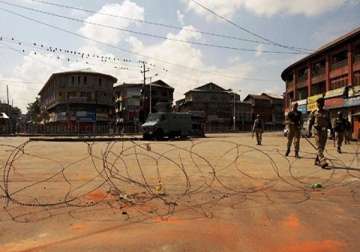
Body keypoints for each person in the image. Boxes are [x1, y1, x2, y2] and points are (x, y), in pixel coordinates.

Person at [308, 97, 334, 168]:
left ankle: (317, 160)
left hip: (324, 131)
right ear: (317, 104)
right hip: (317, 131)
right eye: (318, 103)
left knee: (322, 147)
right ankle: (322, 160)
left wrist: (332, 131)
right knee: (319, 146)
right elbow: (310, 122)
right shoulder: (314, 112)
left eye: (322, 103)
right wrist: (309, 131)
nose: (320, 104)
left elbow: (329, 122)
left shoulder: (327, 112)